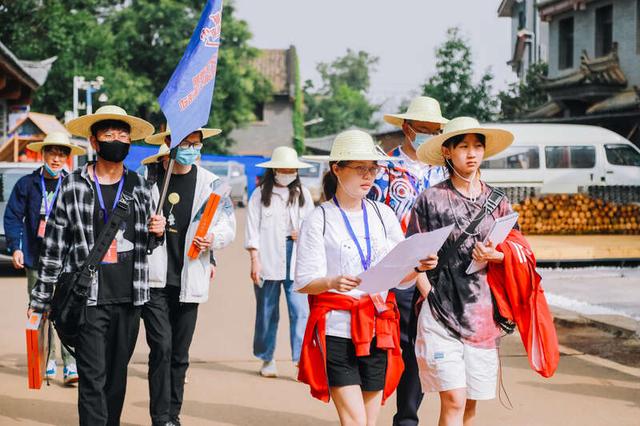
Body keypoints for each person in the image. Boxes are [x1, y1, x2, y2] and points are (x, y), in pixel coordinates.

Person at [29, 105, 166, 426]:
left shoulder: (141, 188)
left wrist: (157, 232)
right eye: (109, 135)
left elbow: (147, 246)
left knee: (116, 378)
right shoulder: (74, 185)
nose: (116, 140)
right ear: (94, 141)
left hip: (129, 299)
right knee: (93, 377)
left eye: (123, 135)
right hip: (86, 298)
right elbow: (54, 246)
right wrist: (40, 301)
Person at [295, 130, 439, 426]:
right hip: (337, 329)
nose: (369, 176)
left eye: (373, 168)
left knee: (369, 423)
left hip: (378, 328)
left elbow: (401, 277)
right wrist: (332, 282)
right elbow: (304, 280)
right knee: (356, 422)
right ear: (337, 168)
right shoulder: (319, 218)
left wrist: (419, 265)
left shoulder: (383, 214)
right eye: (360, 168)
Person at [407, 117, 516, 426]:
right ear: (447, 151)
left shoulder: (499, 202)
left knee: (469, 406)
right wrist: (428, 292)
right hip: (440, 316)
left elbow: (517, 252)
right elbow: (411, 255)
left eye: (477, 146)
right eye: (464, 146)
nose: (472, 154)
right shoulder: (430, 200)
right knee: (453, 399)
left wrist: (496, 254)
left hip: (483, 318)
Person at [142, 126, 236, 426]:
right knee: (162, 348)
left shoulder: (212, 185)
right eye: (185, 144)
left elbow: (227, 224)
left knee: (180, 354)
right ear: (168, 144)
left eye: (196, 145)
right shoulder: (149, 181)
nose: (191, 149)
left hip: (189, 280)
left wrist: (214, 239)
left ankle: (173, 416)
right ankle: (159, 418)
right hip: (155, 281)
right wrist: (148, 227)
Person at [367, 96, 448, 426]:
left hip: (433, 273)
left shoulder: (443, 172)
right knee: (385, 345)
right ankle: (366, 411)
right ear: (406, 128)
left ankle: (407, 417)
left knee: (420, 344)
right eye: (423, 129)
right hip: (393, 273)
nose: (429, 135)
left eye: (434, 130)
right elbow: (370, 219)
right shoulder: (383, 170)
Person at [4, 131, 85, 385]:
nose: (57, 158)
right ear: (44, 154)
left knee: (68, 310)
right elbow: (13, 217)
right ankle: (45, 359)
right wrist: (15, 247)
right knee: (41, 309)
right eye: (53, 152)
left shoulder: (73, 184)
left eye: (63, 153)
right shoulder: (27, 184)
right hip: (35, 258)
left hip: (66, 260)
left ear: (68, 158)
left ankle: (70, 364)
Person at [245, 146, 314, 378]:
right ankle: (267, 358)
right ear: (274, 170)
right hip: (267, 256)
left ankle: (299, 360)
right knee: (267, 311)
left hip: (296, 256)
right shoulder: (259, 194)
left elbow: (313, 227)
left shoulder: (303, 193)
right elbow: (252, 230)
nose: (287, 173)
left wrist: (301, 234)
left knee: (300, 311)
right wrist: (255, 260)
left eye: (291, 170)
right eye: (283, 169)